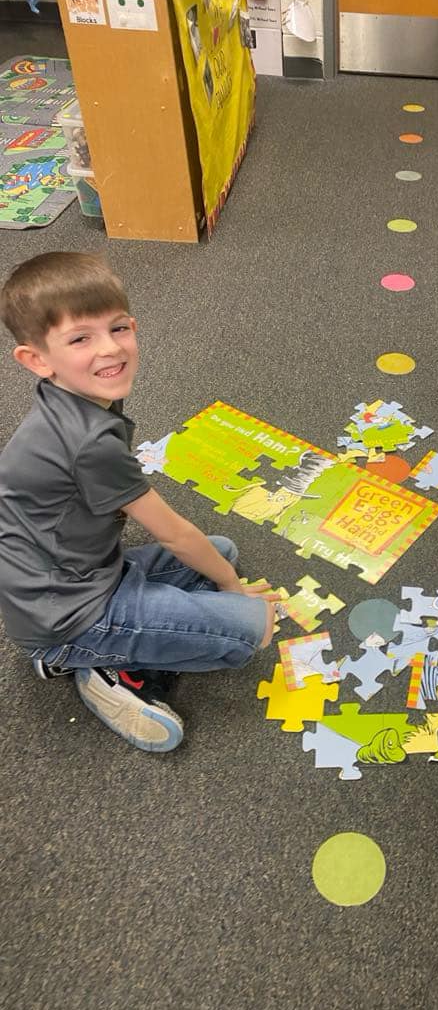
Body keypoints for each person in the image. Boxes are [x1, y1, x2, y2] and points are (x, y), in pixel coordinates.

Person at [0, 252, 279, 753]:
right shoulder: (88, 441)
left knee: (221, 549)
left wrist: (222, 577)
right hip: (69, 612)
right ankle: (97, 668)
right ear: (37, 359)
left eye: (119, 328)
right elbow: (171, 531)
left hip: (73, 578)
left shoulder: (75, 398)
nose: (110, 349)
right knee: (251, 629)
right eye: (81, 338)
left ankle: (89, 649)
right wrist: (234, 591)